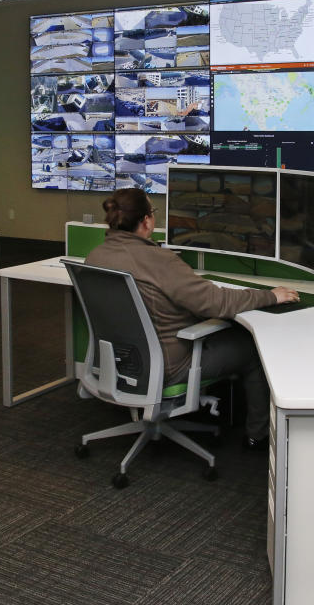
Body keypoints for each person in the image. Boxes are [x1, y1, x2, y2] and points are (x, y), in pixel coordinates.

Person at [83, 188, 299, 449]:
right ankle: (258, 436)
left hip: (122, 361)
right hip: (169, 365)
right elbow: (216, 302)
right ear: (146, 220)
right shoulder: (158, 259)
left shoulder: (95, 256)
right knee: (253, 348)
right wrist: (271, 296)